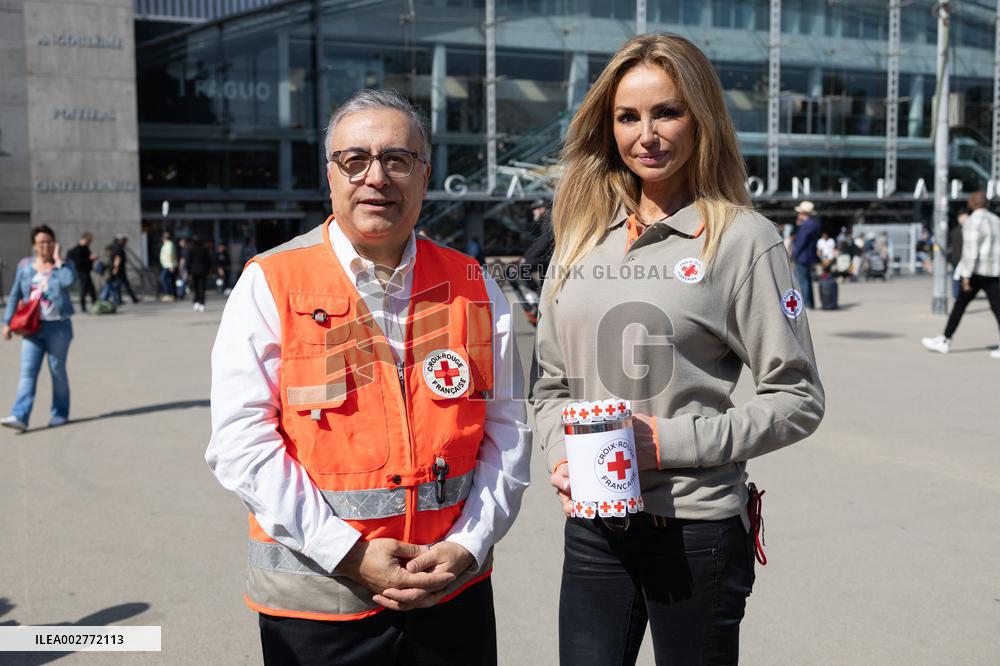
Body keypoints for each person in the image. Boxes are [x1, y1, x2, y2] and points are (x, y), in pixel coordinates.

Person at [206, 88, 531, 666]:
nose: (375, 177)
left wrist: (466, 544)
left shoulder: (473, 284)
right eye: (355, 160)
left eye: (397, 160)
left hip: (450, 594)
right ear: (330, 175)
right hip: (319, 605)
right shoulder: (270, 282)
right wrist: (349, 554)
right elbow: (240, 443)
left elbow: (506, 432)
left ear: (424, 176)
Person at [529, 34, 825, 665]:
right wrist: (561, 457)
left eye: (666, 111)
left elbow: (798, 399)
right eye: (627, 117)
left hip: (694, 530)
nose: (647, 135)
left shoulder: (744, 240)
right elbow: (551, 383)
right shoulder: (579, 236)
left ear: (701, 118)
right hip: (593, 529)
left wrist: (668, 443)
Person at [1, 225, 77, 432]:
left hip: (58, 327)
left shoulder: (65, 266)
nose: (45, 245)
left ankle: (60, 413)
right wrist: (6, 322)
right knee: (27, 372)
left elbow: (69, 283)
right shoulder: (25, 266)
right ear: (34, 245)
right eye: (41, 242)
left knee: (57, 371)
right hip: (32, 328)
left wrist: (58, 261)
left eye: (49, 241)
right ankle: (20, 415)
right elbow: (16, 294)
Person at [922, 191, 1000, 358]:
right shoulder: (995, 220)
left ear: (972, 204)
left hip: (977, 272)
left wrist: (965, 276)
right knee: (997, 307)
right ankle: (944, 339)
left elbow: (971, 251)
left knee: (960, 306)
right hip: (993, 271)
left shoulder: (972, 222)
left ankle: (945, 340)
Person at [790, 200, 821, 308]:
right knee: (807, 280)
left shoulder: (806, 225)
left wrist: (794, 254)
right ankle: (811, 303)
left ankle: (805, 303)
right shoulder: (813, 224)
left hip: (802, 256)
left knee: (802, 281)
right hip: (809, 256)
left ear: (803, 213)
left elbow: (801, 242)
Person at [66, 232, 97, 311]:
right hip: (81, 271)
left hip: (86, 271)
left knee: (91, 289)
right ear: (83, 239)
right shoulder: (78, 249)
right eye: (88, 241)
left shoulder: (85, 248)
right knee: (84, 288)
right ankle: (83, 306)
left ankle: (95, 304)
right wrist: (90, 259)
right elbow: (78, 262)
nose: (89, 243)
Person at [111, 234, 141, 304]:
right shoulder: (118, 248)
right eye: (124, 241)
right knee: (121, 285)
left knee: (120, 285)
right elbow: (117, 259)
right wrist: (116, 269)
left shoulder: (116, 247)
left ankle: (119, 300)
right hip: (119, 270)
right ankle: (120, 300)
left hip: (119, 270)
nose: (125, 242)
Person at [186, 236, 212, 312]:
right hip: (203, 271)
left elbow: (188, 261)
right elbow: (208, 261)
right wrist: (209, 270)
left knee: (195, 287)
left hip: (194, 271)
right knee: (202, 288)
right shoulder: (205, 249)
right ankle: (202, 303)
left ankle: (196, 302)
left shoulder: (191, 249)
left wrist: (188, 271)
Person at [948, 209, 969, 299]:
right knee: (958, 278)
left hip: (959, 258)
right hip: (959, 258)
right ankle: (958, 296)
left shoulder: (955, 231)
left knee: (957, 278)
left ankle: (958, 296)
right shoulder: (960, 231)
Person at [159, 231, 178, 302]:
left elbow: (170, 255)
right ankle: (171, 294)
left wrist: (171, 265)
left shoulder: (169, 244)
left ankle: (168, 294)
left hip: (168, 265)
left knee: (163, 279)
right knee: (169, 280)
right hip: (167, 265)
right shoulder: (167, 244)